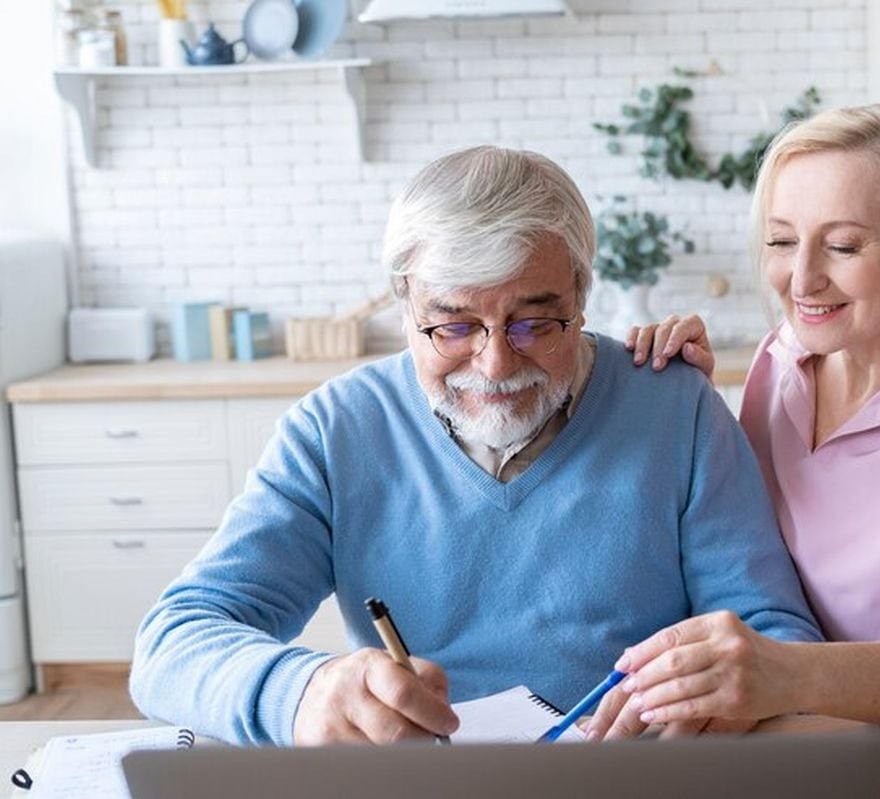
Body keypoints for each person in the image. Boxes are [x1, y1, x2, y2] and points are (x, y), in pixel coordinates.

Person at [129, 145, 822, 747]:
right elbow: (172, 643)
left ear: (583, 295)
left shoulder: (677, 408)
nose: (494, 365)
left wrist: (723, 693)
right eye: (453, 325)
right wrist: (302, 690)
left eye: (534, 322)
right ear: (405, 304)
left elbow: (779, 637)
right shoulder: (335, 431)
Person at [588, 104, 880, 739]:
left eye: (842, 245)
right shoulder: (783, 355)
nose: (803, 279)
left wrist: (783, 674)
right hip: (808, 735)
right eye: (783, 241)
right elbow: (750, 546)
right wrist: (692, 407)